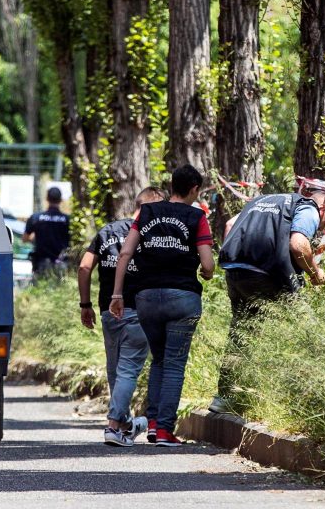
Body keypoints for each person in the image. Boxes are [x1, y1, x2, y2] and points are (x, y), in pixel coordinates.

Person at [110, 165, 215, 447]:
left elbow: (126, 252)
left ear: (171, 186)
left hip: (145, 299)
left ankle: (154, 422)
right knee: (174, 364)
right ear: (194, 189)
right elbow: (207, 264)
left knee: (159, 359)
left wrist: (117, 295)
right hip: (182, 298)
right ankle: (164, 429)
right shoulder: (197, 216)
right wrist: (207, 272)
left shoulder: (146, 213)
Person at [211, 189, 325, 413]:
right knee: (306, 327)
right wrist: (314, 273)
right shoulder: (308, 207)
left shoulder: (261, 200)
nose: (321, 228)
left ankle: (225, 397)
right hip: (266, 274)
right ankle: (320, 395)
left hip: (235, 271)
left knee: (241, 332)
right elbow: (298, 244)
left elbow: (231, 225)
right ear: (322, 209)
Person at [77, 187, 165, 446]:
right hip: (138, 311)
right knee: (127, 370)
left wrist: (85, 304)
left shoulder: (107, 230)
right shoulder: (150, 234)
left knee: (115, 370)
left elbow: (84, 267)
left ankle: (127, 423)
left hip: (107, 310)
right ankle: (114, 426)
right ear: (153, 208)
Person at [23, 187, 70, 279]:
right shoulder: (68, 220)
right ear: (60, 200)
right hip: (60, 263)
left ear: (47, 199)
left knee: (40, 290)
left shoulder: (36, 218)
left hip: (41, 264)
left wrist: (36, 237)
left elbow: (25, 238)